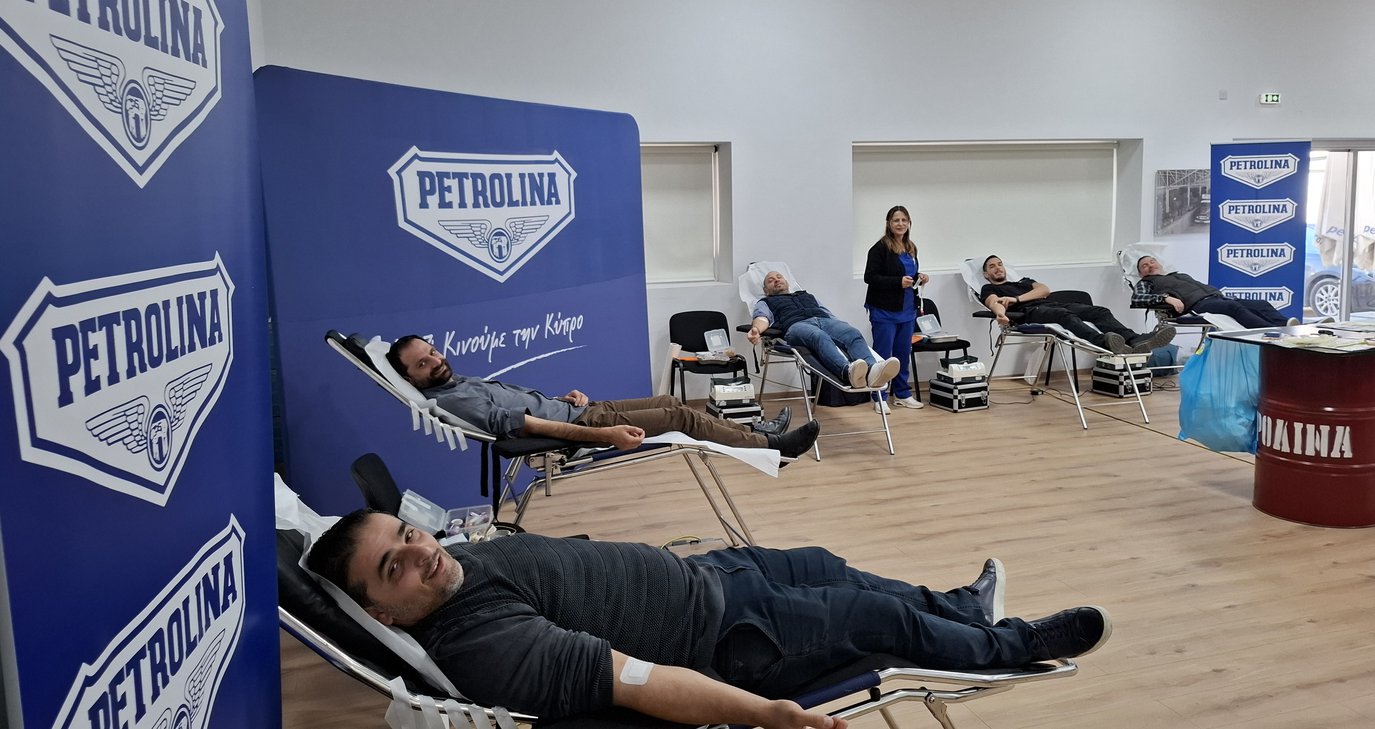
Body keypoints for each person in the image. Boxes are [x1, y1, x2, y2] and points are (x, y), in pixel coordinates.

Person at [307, 509, 1113, 727]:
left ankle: (964, 608)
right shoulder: (481, 643)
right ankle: (1012, 645)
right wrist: (765, 712)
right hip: (730, 640)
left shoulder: (448, 564)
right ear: (378, 607)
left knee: (833, 565)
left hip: (715, 576)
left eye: (407, 534)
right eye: (393, 566)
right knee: (872, 619)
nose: (419, 552)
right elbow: (635, 682)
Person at [388, 335, 820, 459]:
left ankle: (754, 431)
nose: (435, 361)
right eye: (423, 364)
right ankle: (772, 446)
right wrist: (603, 434)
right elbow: (520, 425)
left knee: (672, 404)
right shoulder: (452, 401)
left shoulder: (455, 382)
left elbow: (518, 405)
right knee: (683, 419)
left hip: (578, 409)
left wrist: (562, 398)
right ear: (410, 377)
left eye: (433, 352)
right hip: (585, 424)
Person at [979, 255, 1176, 354]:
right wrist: (1000, 314)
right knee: (1064, 316)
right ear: (986, 274)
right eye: (992, 267)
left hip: (1051, 303)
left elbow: (1044, 290)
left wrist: (1016, 298)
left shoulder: (1023, 282)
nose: (997, 268)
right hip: (1030, 312)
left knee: (1100, 311)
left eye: (999, 264)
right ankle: (1104, 342)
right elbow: (993, 302)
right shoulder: (989, 288)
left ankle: (1134, 340)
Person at [747, 271, 902, 391]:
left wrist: (841, 329)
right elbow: (762, 318)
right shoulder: (765, 302)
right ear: (766, 290)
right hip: (795, 326)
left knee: (852, 333)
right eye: (771, 280)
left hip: (824, 320)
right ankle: (847, 372)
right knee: (818, 336)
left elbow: (828, 313)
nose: (776, 280)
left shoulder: (806, 295)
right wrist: (756, 330)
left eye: (779, 277)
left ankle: (873, 370)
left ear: (787, 282)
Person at [863, 205, 926, 413]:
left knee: (902, 353)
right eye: (896, 220)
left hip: (907, 310)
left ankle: (902, 394)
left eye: (904, 220)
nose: (900, 224)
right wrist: (897, 282)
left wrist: (919, 277)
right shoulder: (879, 248)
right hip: (884, 310)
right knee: (883, 355)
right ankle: (879, 396)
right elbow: (870, 277)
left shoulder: (911, 247)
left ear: (909, 223)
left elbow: (909, 274)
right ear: (888, 224)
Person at [1133, 255, 1297, 328]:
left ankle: (1288, 327)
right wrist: (1166, 298)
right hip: (1196, 306)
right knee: (1233, 308)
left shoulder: (1179, 275)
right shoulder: (1146, 282)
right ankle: (1271, 333)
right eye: (1144, 266)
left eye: (1152, 261)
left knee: (1260, 304)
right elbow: (1138, 298)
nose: (1149, 265)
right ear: (1141, 274)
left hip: (1215, 297)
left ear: (1159, 263)